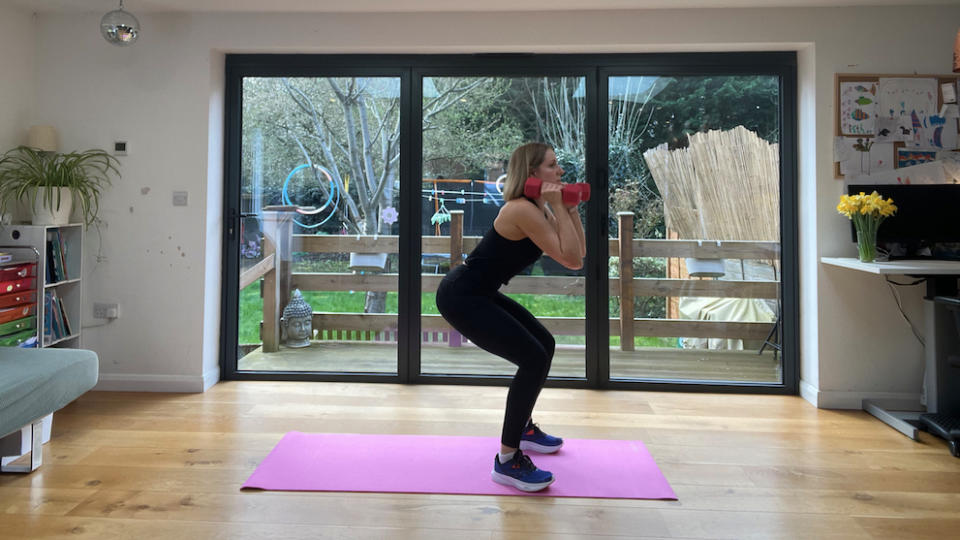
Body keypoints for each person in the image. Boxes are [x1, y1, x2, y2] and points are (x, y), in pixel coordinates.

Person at [435, 142, 586, 492]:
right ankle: (507, 461)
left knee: (544, 344)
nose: (560, 171)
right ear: (533, 174)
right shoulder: (521, 210)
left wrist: (571, 211)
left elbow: (577, 256)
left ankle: (524, 429)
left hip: (480, 292)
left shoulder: (537, 207)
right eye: (552, 165)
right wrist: (561, 207)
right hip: (461, 296)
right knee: (532, 358)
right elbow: (569, 259)